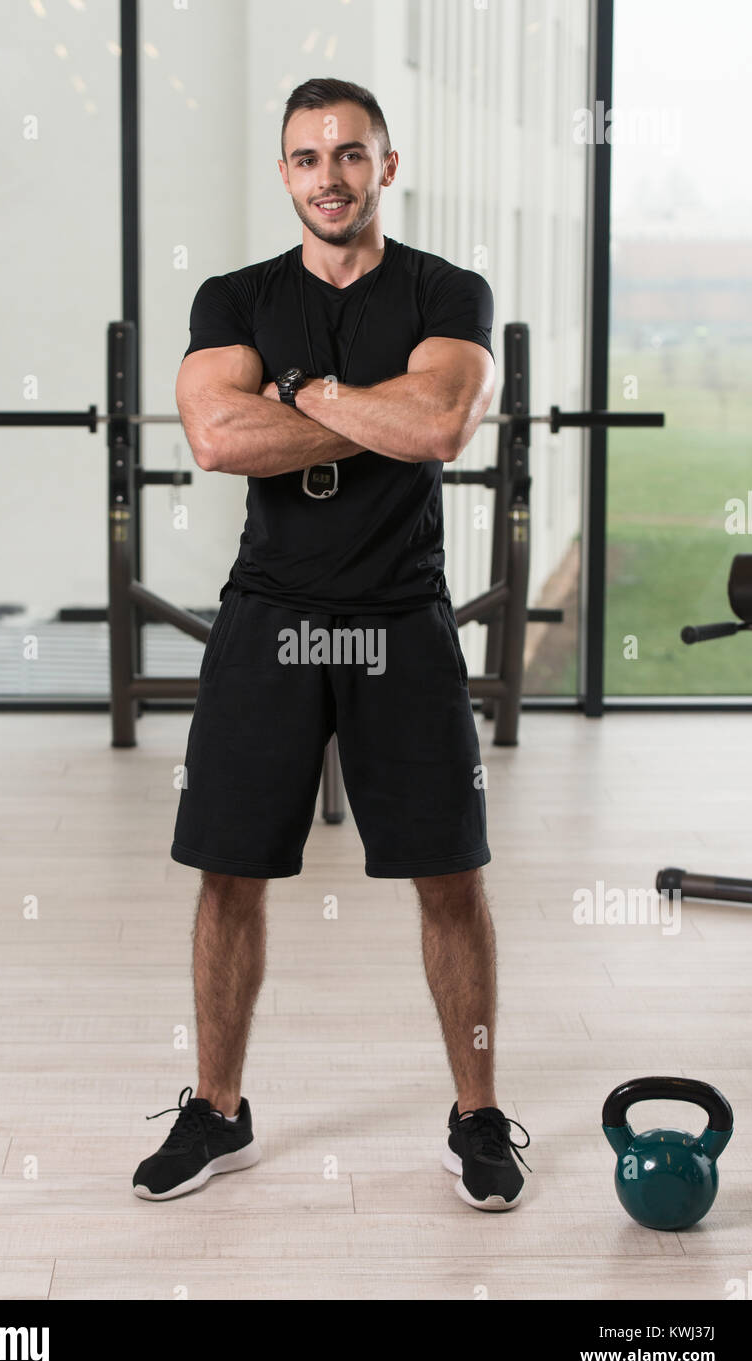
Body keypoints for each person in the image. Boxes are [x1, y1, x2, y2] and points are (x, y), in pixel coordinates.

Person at [132, 78, 531, 1211]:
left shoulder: (448, 288)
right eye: (308, 158)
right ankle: (217, 1109)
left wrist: (295, 393)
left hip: (402, 616)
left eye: (351, 154)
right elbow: (216, 435)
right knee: (229, 872)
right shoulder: (235, 295)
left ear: (386, 167)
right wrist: (369, 408)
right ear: (285, 174)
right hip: (269, 614)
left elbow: (442, 423)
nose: (330, 176)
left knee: (451, 873)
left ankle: (479, 1114)